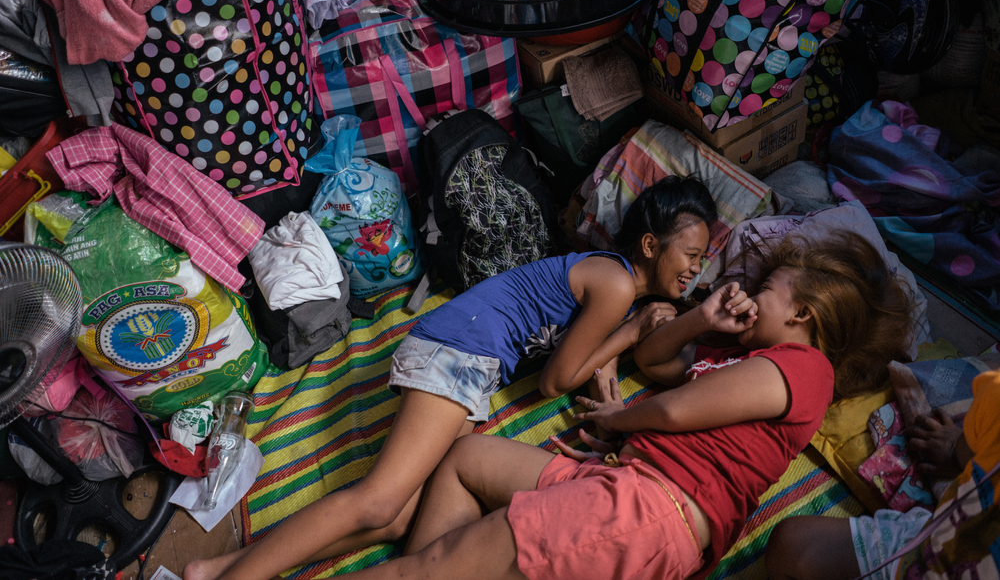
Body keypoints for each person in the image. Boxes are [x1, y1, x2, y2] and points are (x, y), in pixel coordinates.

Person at [238, 230, 916, 580]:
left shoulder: (805, 369)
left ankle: (429, 570)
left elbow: (676, 410)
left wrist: (617, 420)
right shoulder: (734, 353)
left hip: (650, 512)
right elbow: (654, 364)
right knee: (467, 456)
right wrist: (701, 315)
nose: (748, 292)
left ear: (801, 308)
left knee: (423, 566)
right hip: (625, 487)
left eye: (765, 287)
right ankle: (440, 566)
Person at [184, 176, 720, 580]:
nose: (696, 269)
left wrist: (620, 399)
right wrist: (628, 338)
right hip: (457, 350)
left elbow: (604, 373)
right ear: (651, 246)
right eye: (691, 255)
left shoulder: (620, 294)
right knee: (377, 500)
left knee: (397, 520)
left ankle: (215, 569)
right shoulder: (617, 286)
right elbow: (555, 382)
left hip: (470, 363)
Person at [765, 369, 1000, 580]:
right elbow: (972, 445)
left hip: (926, 559)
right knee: (791, 544)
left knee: (792, 544)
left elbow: (971, 444)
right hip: (926, 551)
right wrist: (953, 450)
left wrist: (955, 449)